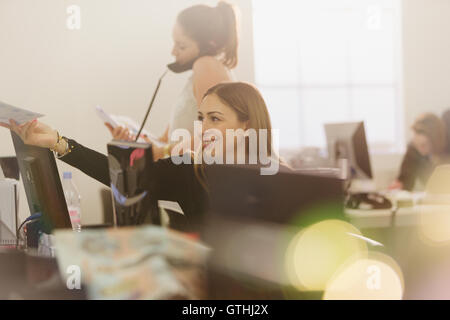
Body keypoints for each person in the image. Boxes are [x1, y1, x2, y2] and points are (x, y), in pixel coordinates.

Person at [0, 82, 281, 234]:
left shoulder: (280, 179)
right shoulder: (192, 170)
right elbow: (122, 177)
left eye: (215, 119)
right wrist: (59, 143)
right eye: (201, 118)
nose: (203, 127)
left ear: (246, 126)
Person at [108, 1, 239, 160]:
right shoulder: (198, 73)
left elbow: (214, 133)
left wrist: (163, 152)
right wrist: (132, 140)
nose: (173, 52)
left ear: (208, 45)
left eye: (182, 46)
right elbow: (165, 141)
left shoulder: (205, 65)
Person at [389, 113, 449, 191]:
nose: (421, 150)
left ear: (436, 139)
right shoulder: (413, 150)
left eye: (424, 145)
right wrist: (399, 185)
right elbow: (404, 180)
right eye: (418, 146)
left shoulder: (446, 149)